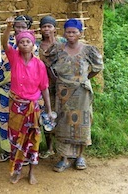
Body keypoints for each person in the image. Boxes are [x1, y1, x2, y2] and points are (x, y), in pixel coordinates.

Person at [42, 18, 104, 172]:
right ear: (64, 32)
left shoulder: (88, 50)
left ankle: (80, 157)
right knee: (63, 124)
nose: (70, 35)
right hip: (63, 92)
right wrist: (55, 79)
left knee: (82, 124)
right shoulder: (57, 49)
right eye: (68, 32)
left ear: (80, 33)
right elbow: (47, 63)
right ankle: (63, 158)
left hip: (81, 93)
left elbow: (97, 67)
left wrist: (84, 79)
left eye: (74, 32)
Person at [1, 17, 53, 185]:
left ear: (33, 45)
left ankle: (31, 172)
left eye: (27, 42)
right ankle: (17, 171)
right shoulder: (13, 58)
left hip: (33, 108)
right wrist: (8, 27)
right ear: (17, 44)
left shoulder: (39, 65)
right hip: (16, 106)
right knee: (16, 141)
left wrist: (49, 110)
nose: (24, 44)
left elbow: (44, 87)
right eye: (21, 41)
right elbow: (4, 43)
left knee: (33, 140)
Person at [0, 15, 33, 163]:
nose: (20, 29)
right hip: (6, 89)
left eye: (23, 27)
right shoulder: (6, 44)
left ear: (28, 28)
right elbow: (1, 68)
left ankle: (23, 152)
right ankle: (6, 151)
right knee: (5, 121)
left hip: (24, 92)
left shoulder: (32, 45)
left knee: (22, 122)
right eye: (18, 26)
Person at [38, 15, 66, 159]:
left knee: (62, 115)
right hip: (44, 87)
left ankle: (62, 147)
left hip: (62, 86)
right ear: (40, 29)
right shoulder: (37, 46)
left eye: (49, 26)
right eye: (44, 26)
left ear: (55, 28)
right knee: (46, 116)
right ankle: (49, 148)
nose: (47, 29)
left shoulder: (63, 43)